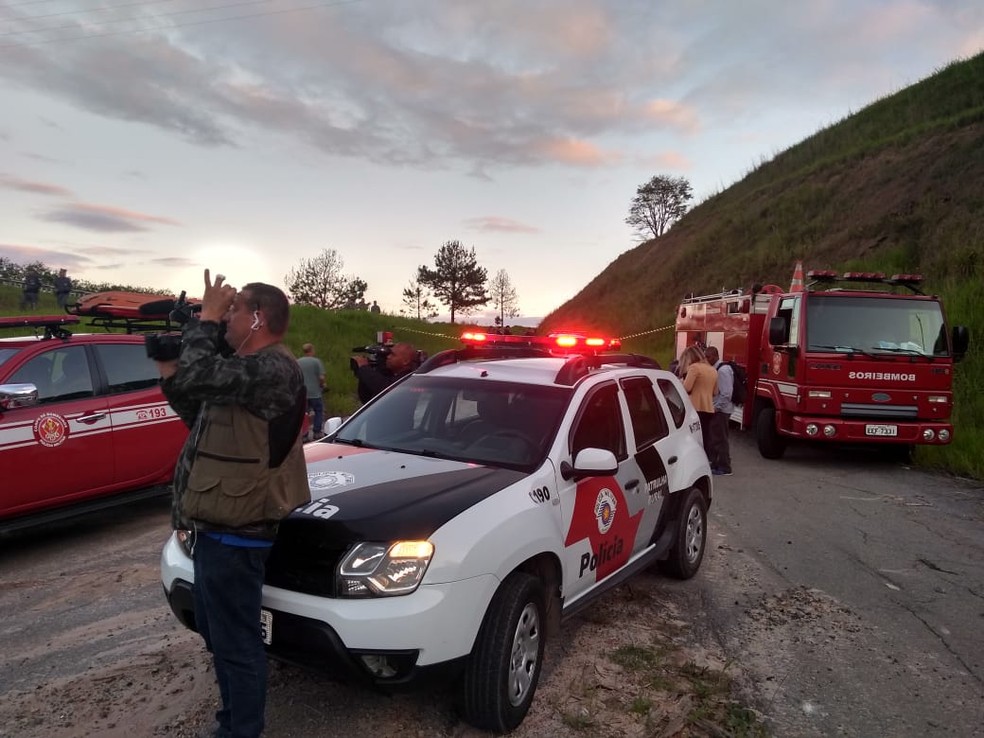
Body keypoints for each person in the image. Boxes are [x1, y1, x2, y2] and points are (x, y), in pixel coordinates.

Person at [156, 269, 310, 738]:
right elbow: (193, 405)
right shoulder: (244, 373)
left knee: (237, 644)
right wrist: (170, 364)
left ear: (258, 318)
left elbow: (202, 373)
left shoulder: (274, 368)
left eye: (235, 309)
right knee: (217, 633)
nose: (226, 317)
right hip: (215, 528)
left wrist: (205, 319)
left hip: (238, 532)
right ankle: (232, 722)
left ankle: (239, 730)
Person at [677, 344, 718, 458]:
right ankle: (708, 458)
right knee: (705, 435)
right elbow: (715, 392)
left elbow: (687, 388)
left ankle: (696, 459)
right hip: (709, 408)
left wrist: (680, 382)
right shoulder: (712, 369)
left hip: (695, 407)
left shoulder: (694, 368)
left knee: (694, 437)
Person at [352, 341, 418, 403]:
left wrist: (364, 368)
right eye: (388, 354)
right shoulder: (391, 374)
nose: (388, 357)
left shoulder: (409, 379)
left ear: (405, 361)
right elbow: (367, 399)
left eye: (393, 355)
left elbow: (386, 388)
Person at [703, 346, 733, 476]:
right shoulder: (717, 369)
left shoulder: (723, 371)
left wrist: (717, 407)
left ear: (715, 356)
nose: (706, 359)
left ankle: (724, 466)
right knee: (715, 437)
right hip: (719, 409)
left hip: (721, 410)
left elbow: (726, 393)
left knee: (720, 438)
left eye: (708, 357)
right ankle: (716, 463)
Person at [297, 342, 326, 440]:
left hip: (302, 393)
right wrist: (322, 385)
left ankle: (304, 434)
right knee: (318, 411)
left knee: (303, 413)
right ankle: (317, 432)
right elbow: (321, 377)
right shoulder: (316, 361)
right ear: (311, 350)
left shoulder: (298, 362)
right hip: (315, 393)